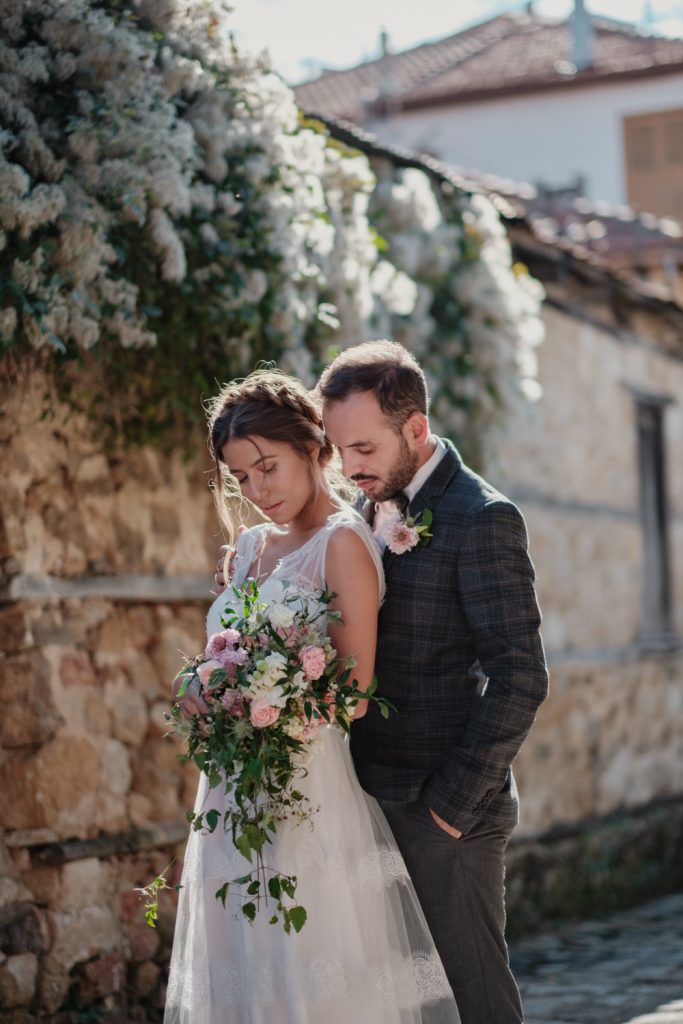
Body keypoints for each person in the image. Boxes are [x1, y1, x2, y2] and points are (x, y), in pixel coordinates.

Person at [165, 369, 459, 1024]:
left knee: (307, 971)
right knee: (245, 972)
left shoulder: (343, 543)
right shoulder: (247, 549)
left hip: (306, 795)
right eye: (241, 477)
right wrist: (198, 685)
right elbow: (219, 653)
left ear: (311, 448)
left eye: (267, 467)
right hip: (232, 794)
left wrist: (262, 703)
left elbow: (354, 694)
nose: (257, 490)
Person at [318, 340, 549, 1024]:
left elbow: (521, 676)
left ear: (415, 428)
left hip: (445, 813)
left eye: (363, 448)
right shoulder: (362, 509)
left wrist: (447, 809)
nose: (348, 467)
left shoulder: (482, 517)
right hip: (367, 799)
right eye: (338, 450)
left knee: (473, 1003)